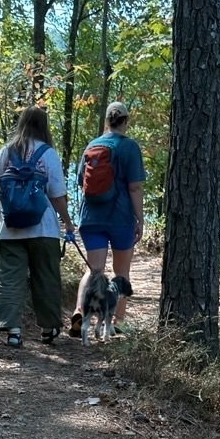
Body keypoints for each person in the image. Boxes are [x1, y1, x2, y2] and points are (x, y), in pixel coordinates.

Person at [0, 107, 76, 348]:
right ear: (44, 126)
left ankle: (12, 331)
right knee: (46, 276)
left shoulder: (6, 151)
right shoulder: (48, 154)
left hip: (9, 229)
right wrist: (67, 222)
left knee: (9, 277)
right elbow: (57, 195)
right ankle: (49, 328)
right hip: (43, 229)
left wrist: (5, 212)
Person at [71, 101, 145, 339]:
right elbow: (135, 188)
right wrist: (140, 219)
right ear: (126, 121)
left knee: (94, 270)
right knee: (121, 270)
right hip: (120, 217)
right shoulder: (130, 147)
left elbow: (80, 180)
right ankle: (116, 322)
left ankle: (80, 311)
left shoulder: (92, 145)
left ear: (106, 120)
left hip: (91, 216)